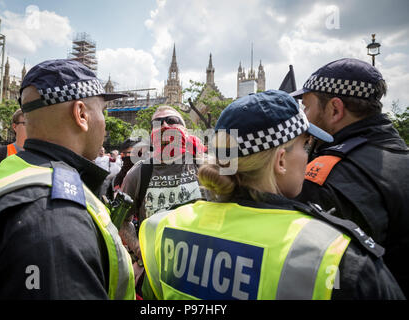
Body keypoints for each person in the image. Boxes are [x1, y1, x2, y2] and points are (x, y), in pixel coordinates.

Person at [138, 90, 404, 300]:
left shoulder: (162, 226)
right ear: (280, 161)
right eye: (305, 145)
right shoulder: (337, 256)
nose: (308, 156)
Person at [0, 59, 135, 299]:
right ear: (81, 114)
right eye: (103, 112)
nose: (105, 124)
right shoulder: (55, 216)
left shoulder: (15, 169)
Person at [290, 58, 409, 295]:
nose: (304, 118)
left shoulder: (329, 177)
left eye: (307, 107)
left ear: (335, 109)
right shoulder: (399, 152)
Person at [120, 106, 204, 268]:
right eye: (157, 124)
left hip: (199, 267)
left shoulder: (205, 167)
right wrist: (141, 251)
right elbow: (122, 220)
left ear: (185, 130)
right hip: (155, 269)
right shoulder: (138, 173)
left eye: (172, 121)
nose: (164, 126)